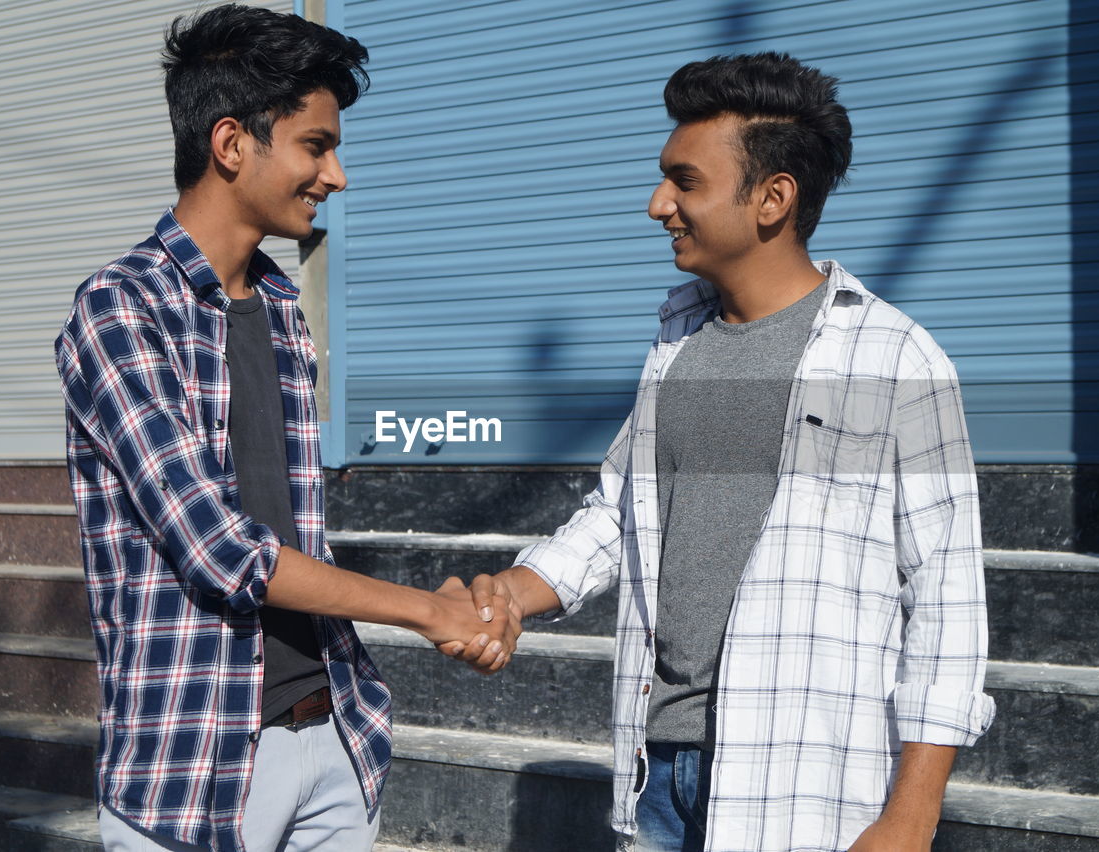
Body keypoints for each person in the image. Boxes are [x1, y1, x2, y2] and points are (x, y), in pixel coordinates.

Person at [459, 53, 994, 852]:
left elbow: (948, 603)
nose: (657, 205)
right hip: (657, 773)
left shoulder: (895, 358)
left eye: (686, 182)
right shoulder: (679, 344)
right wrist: (508, 593)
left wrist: (910, 817)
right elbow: (618, 515)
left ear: (773, 198)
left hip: (802, 786)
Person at [54, 6, 515, 851]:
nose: (335, 175)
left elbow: (296, 528)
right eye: (315, 145)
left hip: (331, 741)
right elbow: (221, 548)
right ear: (232, 144)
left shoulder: (279, 306)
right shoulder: (119, 309)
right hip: (194, 773)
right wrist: (427, 611)